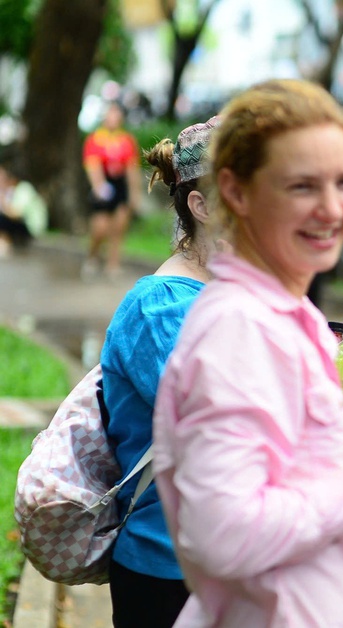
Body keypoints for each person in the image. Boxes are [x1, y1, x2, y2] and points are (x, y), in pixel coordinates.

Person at [152, 79, 343, 626]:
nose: (333, 209)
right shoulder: (238, 328)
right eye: (302, 186)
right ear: (234, 192)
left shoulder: (289, 309)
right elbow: (222, 534)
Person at [100, 116, 220, 627]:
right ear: (203, 205)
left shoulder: (238, 295)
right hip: (169, 569)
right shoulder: (159, 308)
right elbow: (221, 423)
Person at [82, 102, 142, 279]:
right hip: (103, 185)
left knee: (119, 226)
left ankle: (113, 264)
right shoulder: (94, 139)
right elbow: (93, 167)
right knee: (100, 227)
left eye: (116, 114)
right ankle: (92, 257)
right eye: (110, 114)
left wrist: (135, 194)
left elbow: (132, 169)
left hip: (120, 184)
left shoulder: (127, 140)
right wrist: (99, 187)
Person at [0, 160, 47, 257]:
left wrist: (3, 200)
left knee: (2, 220)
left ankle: (5, 246)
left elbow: (15, 214)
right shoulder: (16, 191)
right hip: (24, 224)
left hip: (32, 228)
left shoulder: (24, 189)